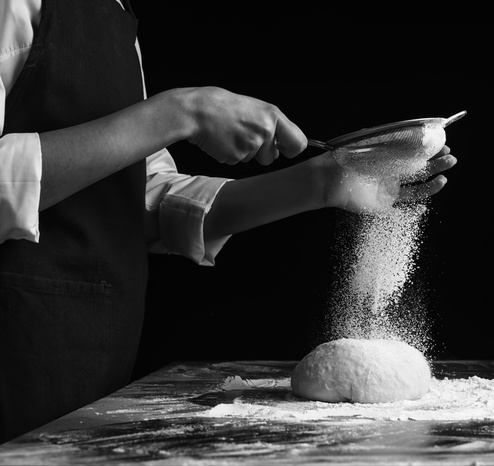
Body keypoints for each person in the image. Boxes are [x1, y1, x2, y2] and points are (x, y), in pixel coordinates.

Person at [0, 0, 457, 443]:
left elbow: (130, 201)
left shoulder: (113, 13)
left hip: (94, 365)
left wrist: (321, 182)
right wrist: (179, 113)